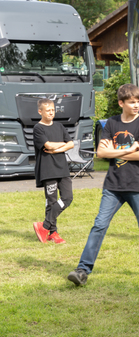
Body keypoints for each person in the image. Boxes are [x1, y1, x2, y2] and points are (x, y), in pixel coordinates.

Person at [67, 84, 139, 286]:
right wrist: (130, 147)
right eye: (132, 102)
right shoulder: (111, 123)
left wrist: (116, 150)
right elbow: (101, 154)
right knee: (99, 225)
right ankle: (83, 270)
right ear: (121, 103)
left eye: (138, 101)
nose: (136, 105)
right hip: (113, 186)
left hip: (136, 185)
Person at [32, 98, 74, 244]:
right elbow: (48, 145)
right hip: (47, 170)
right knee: (51, 202)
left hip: (62, 169)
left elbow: (71, 144)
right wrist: (61, 145)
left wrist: (58, 148)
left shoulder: (60, 126)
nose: (51, 112)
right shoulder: (38, 128)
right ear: (40, 111)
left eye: (53, 110)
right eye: (48, 110)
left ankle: (44, 225)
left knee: (67, 198)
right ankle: (53, 233)